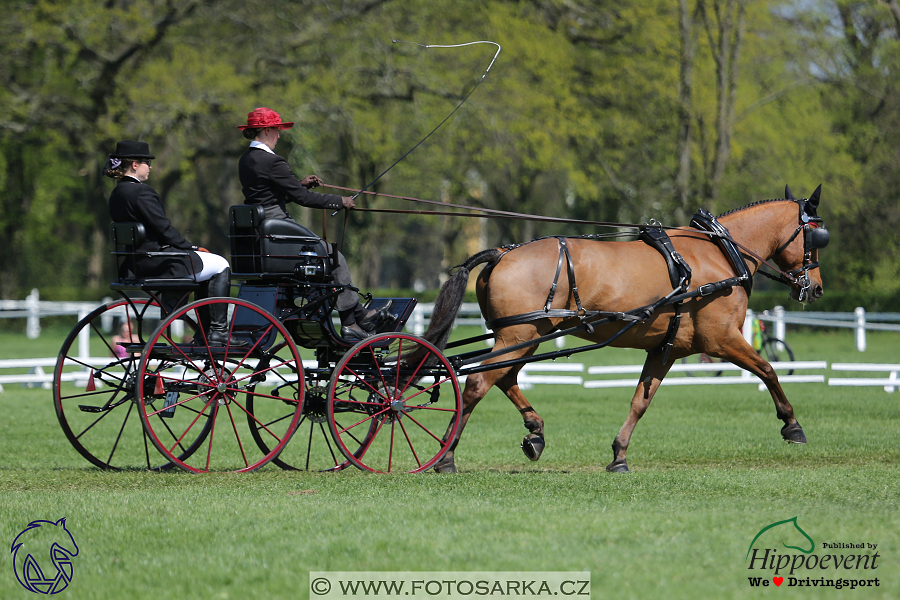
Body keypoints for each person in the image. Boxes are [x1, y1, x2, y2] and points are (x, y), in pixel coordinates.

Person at [237, 107, 392, 340]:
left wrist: (298, 183)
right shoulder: (272, 161)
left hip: (262, 229)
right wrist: (339, 201)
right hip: (276, 226)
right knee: (334, 257)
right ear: (267, 130)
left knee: (328, 258)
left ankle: (358, 315)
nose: (279, 136)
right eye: (277, 130)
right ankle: (352, 321)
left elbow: (269, 195)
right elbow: (303, 199)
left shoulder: (246, 159)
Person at [105, 140, 246, 346]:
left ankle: (204, 332)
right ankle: (217, 331)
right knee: (221, 264)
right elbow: (163, 228)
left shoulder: (117, 193)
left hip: (136, 263)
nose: (150, 167)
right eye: (147, 162)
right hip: (159, 262)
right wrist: (191, 247)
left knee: (207, 266)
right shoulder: (141, 192)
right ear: (135, 165)